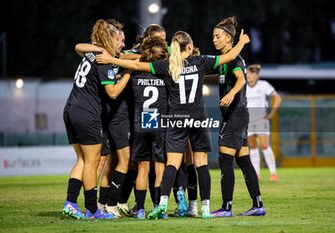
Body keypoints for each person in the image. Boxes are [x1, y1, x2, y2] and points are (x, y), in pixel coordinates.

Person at [95, 26, 250, 219]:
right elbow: (230, 56)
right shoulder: (201, 61)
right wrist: (242, 43)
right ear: (191, 46)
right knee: (200, 163)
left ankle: (161, 204)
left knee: (171, 164)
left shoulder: (168, 65)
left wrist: (111, 60)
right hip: (198, 118)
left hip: (175, 119)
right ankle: (205, 208)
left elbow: (137, 66)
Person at [62, 19, 130, 219]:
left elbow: (78, 47)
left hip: (71, 108)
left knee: (83, 160)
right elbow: (113, 93)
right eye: (119, 40)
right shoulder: (104, 60)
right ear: (109, 39)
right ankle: (92, 209)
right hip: (87, 113)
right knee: (93, 161)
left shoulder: (92, 54)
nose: (122, 44)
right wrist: (129, 72)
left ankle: (71, 203)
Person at [210, 17, 266, 218]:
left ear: (228, 38)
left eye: (217, 36)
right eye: (213, 37)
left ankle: (226, 208)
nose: (214, 40)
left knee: (225, 159)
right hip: (239, 115)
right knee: (244, 161)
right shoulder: (225, 61)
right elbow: (221, 78)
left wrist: (231, 93)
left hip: (235, 114)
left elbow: (241, 80)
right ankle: (258, 205)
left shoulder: (234, 58)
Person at [129, 37, 169, 219]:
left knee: (142, 169)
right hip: (159, 123)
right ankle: (157, 207)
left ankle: (140, 209)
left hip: (141, 123)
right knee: (160, 169)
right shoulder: (165, 74)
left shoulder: (136, 75)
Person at [246, 64, 282, 181]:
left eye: (251, 73)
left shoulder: (263, 85)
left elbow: (277, 98)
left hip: (261, 119)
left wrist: (271, 114)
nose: (248, 75)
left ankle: (273, 173)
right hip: (248, 119)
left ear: (256, 75)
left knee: (265, 145)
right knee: (252, 146)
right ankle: (256, 174)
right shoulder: (243, 86)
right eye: (248, 73)